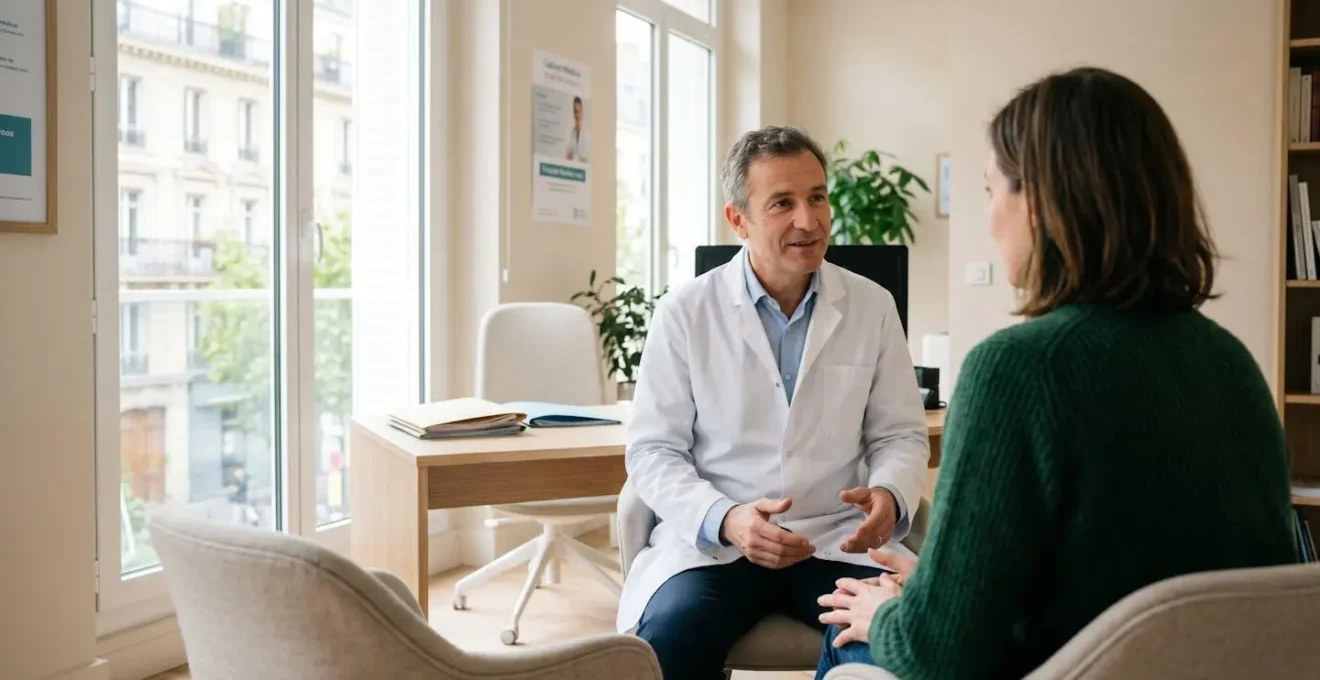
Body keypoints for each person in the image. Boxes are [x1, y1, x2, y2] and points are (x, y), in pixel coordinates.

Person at [813, 66, 1299, 680]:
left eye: (991, 191)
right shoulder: (1231, 363)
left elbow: (939, 657)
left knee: (848, 627)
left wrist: (891, 615)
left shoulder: (1016, 371)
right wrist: (938, 590)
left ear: (1039, 203)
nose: (990, 219)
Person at [619, 126, 930, 680]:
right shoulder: (684, 312)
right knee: (669, 641)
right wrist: (726, 517)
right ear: (738, 220)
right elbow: (653, 451)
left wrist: (888, 493)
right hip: (716, 545)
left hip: (836, 539)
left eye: (817, 197)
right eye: (782, 203)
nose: (809, 220)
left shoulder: (872, 306)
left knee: (889, 648)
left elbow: (899, 434)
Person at [565, 96, 587, 162]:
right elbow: (568, 153)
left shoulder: (586, 131)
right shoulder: (572, 132)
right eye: (575, 112)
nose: (576, 115)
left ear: (581, 111)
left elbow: (586, 156)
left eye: (578, 111)